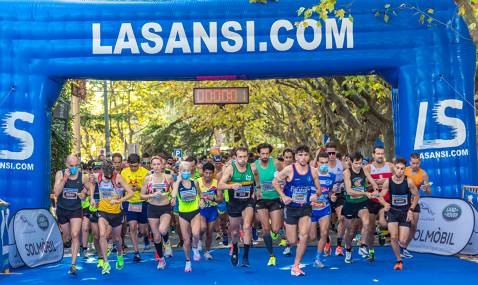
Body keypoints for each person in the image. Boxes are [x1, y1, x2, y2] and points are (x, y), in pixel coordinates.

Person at [272, 145, 322, 276]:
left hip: (305, 207)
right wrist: (283, 196)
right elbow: (275, 182)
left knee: (304, 236)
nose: (303, 157)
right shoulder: (289, 169)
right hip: (291, 208)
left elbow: (319, 190)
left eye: (305, 154)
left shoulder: (314, 171)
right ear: (296, 157)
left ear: (309, 156)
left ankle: (296, 265)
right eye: (300, 155)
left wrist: (315, 195)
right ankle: (286, 229)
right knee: (293, 241)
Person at [218, 146, 260, 267]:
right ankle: (235, 247)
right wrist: (231, 186)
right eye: (240, 157)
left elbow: (256, 176)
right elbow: (220, 185)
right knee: (235, 232)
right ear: (235, 158)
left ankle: (246, 258)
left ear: (248, 157)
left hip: (247, 202)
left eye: (245, 157)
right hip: (234, 203)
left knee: (247, 227)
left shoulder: (252, 167)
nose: (242, 159)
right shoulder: (230, 169)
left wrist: (258, 189)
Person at [90, 161, 134, 275]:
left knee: (117, 239)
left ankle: (119, 254)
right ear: (102, 171)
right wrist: (91, 198)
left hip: (116, 213)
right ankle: (105, 263)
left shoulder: (118, 177)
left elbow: (130, 193)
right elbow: (91, 183)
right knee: (102, 235)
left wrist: (119, 200)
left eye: (111, 175)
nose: (109, 177)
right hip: (103, 212)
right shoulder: (97, 176)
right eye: (106, 175)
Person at [53, 154, 92, 275]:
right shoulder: (60, 174)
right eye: (71, 166)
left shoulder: (82, 176)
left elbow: (91, 188)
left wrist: (84, 194)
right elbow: (56, 192)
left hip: (76, 209)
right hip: (62, 209)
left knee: (75, 234)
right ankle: (66, 240)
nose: (74, 168)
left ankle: (73, 265)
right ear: (66, 165)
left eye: (76, 166)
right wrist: (65, 178)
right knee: (68, 236)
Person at [380, 158, 419, 270]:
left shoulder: (409, 181)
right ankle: (399, 260)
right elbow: (381, 195)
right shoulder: (388, 181)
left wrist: (411, 210)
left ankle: (402, 249)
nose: (399, 171)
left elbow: (416, 196)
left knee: (402, 240)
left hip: (404, 213)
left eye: (402, 169)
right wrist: (384, 203)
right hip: (392, 211)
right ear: (394, 168)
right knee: (393, 237)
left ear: (404, 170)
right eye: (397, 168)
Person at [342, 152, 379, 264]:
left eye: (360, 163)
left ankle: (362, 246)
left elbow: (374, 183)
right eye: (356, 163)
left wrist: (376, 190)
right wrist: (365, 193)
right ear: (351, 162)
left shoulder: (364, 170)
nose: (358, 165)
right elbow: (349, 191)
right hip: (350, 203)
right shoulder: (347, 172)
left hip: (362, 202)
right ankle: (348, 249)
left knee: (366, 223)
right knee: (350, 231)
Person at [140, 156, 174, 269]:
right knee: (156, 237)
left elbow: (174, 190)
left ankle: (167, 241)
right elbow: (141, 196)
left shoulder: (169, 177)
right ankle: (161, 259)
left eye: (158, 164)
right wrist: (151, 195)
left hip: (165, 208)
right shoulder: (148, 179)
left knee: (163, 230)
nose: (156, 166)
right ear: (151, 166)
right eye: (154, 164)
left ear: (162, 165)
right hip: (152, 208)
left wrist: (173, 198)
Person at [254, 143, 283, 266]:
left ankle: (275, 233)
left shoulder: (276, 163)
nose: (265, 156)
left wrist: (280, 184)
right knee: (265, 228)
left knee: (275, 229)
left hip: (275, 198)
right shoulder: (253, 166)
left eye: (267, 153)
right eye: (262, 154)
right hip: (261, 200)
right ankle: (271, 255)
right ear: (259, 154)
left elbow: (284, 176)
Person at [364, 145, 394, 261]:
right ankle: (371, 251)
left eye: (382, 153)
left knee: (383, 223)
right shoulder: (368, 168)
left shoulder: (390, 167)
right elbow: (364, 186)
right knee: (370, 228)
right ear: (373, 155)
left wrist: (386, 182)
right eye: (378, 153)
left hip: (385, 200)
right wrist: (375, 183)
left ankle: (381, 229)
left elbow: (396, 181)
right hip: (372, 200)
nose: (380, 156)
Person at [171, 161, 202, 272]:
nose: (186, 172)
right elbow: (173, 195)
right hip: (183, 214)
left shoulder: (195, 182)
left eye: (188, 170)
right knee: (186, 240)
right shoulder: (177, 184)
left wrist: (201, 200)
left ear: (191, 171)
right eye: (183, 171)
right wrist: (178, 180)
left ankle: (195, 247)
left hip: (195, 212)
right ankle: (188, 261)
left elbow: (200, 194)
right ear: (180, 171)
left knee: (196, 234)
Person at [121, 153, 150, 262]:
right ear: (128, 164)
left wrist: (139, 188)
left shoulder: (145, 172)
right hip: (130, 202)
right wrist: (127, 189)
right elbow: (121, 187)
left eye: (135, 166)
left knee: (142, 230)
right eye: (131, 166)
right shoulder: (124, 172)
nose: (133, 168)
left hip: (142, 202)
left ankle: (145, 236)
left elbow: (148, 189)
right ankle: (136, 252)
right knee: (132, 226)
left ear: (139, 163)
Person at [310, 151, 336, 268]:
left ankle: (318, 259)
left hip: (325, 208)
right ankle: (325, 239)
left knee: (324, 232)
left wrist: (332, 196)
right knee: (312, 237)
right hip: (311, 210)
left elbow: (329, 192)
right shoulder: (311, 174)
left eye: (326, 162)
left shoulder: (332, 176)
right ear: (317, 163)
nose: (324, 165)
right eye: (322, 162)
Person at [402, 153, 430, 258]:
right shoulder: (405, 170)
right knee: (408, 223)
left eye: (417, 163)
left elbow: (428, 191)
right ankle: (401, 244)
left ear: (420, 162)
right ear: (410, 162)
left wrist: (426, 189)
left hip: (415, 201)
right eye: (413, 163)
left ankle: (404, 248)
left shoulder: (424, 174)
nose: (415, 165)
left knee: (414, 226)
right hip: (403, 201)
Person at [198, 162, 224, 260]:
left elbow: (220, 199)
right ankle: (199, 238)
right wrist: (200, 200)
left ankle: (207, 251)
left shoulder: (216, 183)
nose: (208, 175)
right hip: (201, 210)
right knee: (203, 228)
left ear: (213, 173)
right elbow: (194, 195)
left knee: (209, 232)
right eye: (206, 173)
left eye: (210, 173)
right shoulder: (198, 182)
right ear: (203, 173)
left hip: (212, 210)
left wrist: (213, 198)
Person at [325, 142, 345, 256]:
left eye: (333, 153)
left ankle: (339, 245)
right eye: (329, 153)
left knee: (342, 218)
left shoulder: (341, 164)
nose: (331, 155)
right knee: (325, 223)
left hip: (339, 195)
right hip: (326, 196)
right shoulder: (323, 165)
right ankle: (327, 243)